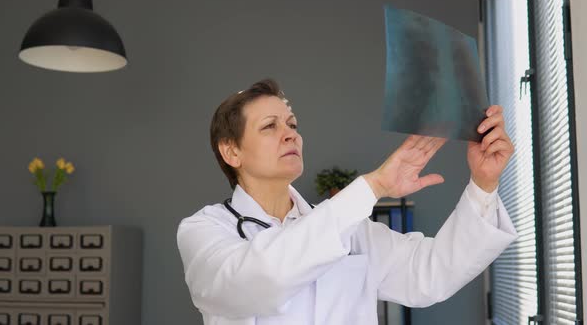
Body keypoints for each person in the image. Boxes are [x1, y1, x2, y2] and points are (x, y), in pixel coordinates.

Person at [176, 79, 517, 325]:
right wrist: (373, 186)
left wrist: (484, 184)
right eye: (270, 126)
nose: (290, 133)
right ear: (231, 151)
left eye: (292, 124)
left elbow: (430, 273)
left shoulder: (352, 232)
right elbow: (254, 281)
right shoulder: (205, 231)